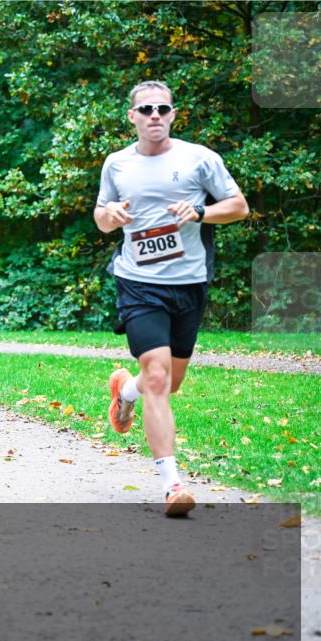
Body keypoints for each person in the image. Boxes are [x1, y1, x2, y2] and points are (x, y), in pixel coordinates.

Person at [94, 81, 249, 516]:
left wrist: (201, 211)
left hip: (189, 282)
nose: (155, 115)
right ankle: (172, 485)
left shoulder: (200, 159)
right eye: (146, 109)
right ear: (133, 117)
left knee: (170, 382)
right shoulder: (117, 164)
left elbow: (239, 207)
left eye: (162, 108)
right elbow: (102, 217)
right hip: (137, 282)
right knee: (158, 377)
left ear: (174, 114)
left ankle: (126, 391)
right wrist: (111, 215)